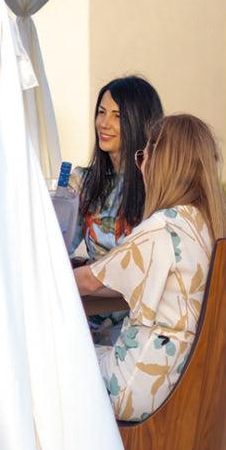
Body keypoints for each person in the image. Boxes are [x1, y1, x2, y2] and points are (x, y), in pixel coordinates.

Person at [75, 114, 226, 422]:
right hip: (190, 383)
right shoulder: (214, 225)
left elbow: (87, 281)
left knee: (45, 363)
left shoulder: (161, 228)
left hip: (137, 388)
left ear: (161, 164)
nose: (141, 167)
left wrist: (39, 272)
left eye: (143, 157)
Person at [69, 76, 164, 345]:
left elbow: (148, 272)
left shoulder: (158, 187)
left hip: (138, 330)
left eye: (117, 116)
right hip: (87, 320)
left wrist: (86, 274)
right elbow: (56, 243)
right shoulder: (83, 182)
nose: (104, 123)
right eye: (101, 112)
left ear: (139, 122)